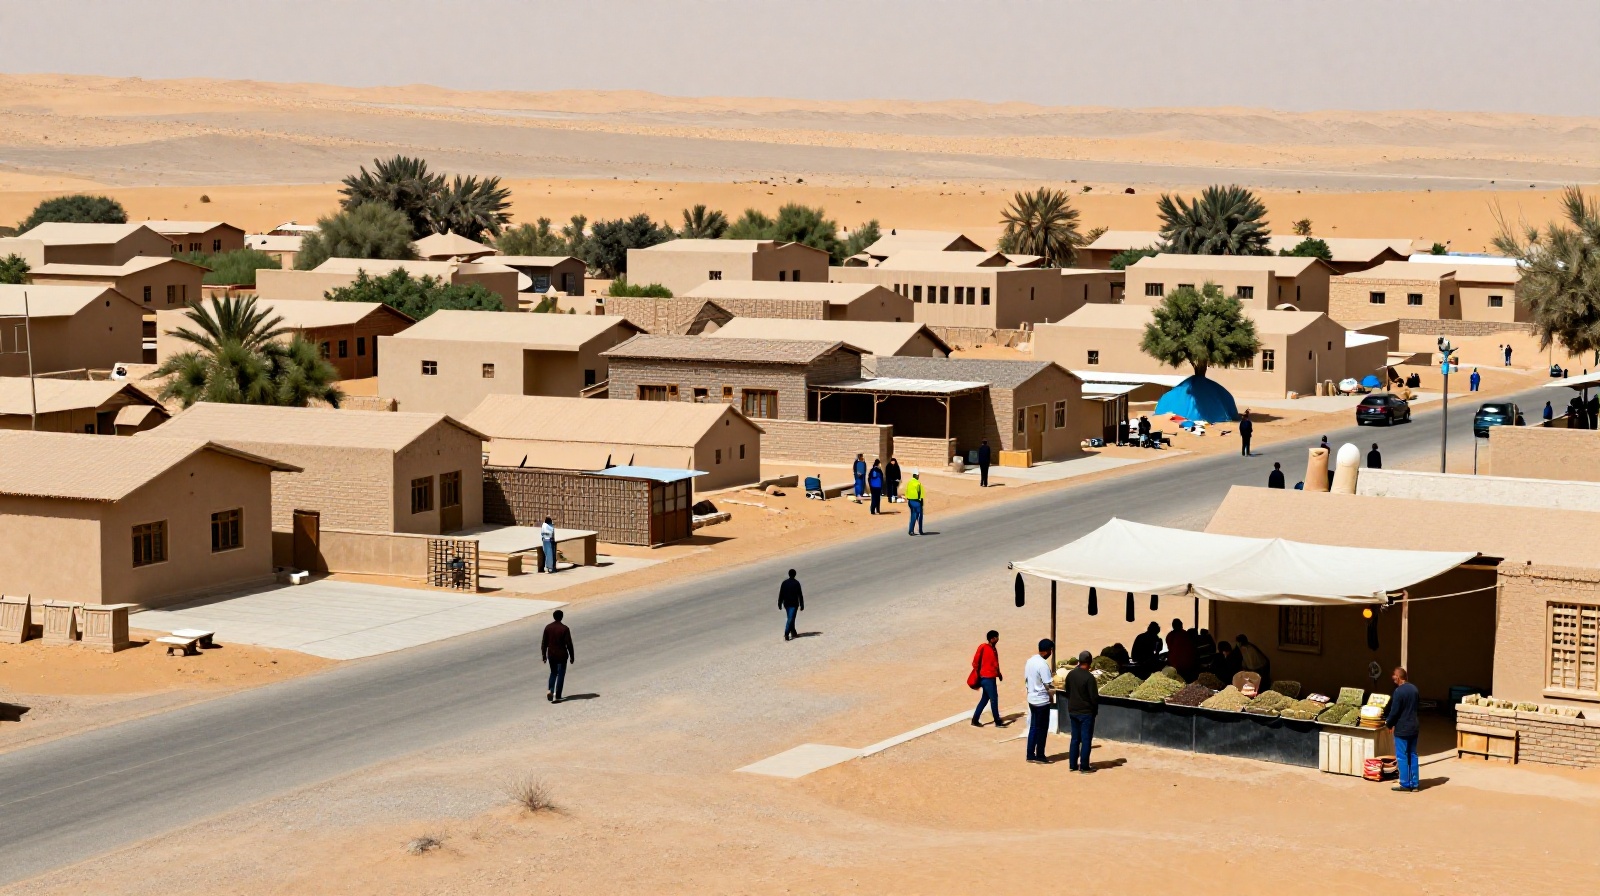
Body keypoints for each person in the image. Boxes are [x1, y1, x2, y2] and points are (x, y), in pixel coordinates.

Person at [1384, 666, 1421, 792]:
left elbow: (1394, 711)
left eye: (1394, 676)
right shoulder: (1414, 689)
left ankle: (1405, 783)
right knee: (1413, 754)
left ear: (1399, 677)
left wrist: (1389, 723)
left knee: (1402, 756)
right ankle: (1414, 784)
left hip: (1402, 728)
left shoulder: (1399, 691)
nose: (1392, 678)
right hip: (1414, 727)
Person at [1064, 650, 1099, 773]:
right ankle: (1084, 766)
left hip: (1073, 710)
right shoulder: (1089, 678)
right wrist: (1094, 710)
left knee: (1075, 738)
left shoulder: (1071, 674)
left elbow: (1067, 691)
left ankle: (1072, 764)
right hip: (1086, 713)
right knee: (1085, 740)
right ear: (1089, 663)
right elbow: (1094, 698)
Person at [1024, 638, 1056, 764]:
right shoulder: (1043, 665)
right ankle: (1040, 755)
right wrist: (1053, 694)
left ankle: (1030, 754)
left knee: (1033, 727)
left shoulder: (1030, 661)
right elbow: (1048, 685)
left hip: (1032, 698)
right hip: (1041, 700)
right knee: (1042, 728)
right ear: (1048, 650)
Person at [970, 630, 1005, 728]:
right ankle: (997, 721)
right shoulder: (983, 647)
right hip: (986, 678)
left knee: (985, 699)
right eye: (997, 637)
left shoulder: (993, 649)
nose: (998, 639)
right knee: (994, 699)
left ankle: (975, 720)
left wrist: (999, 674)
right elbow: (975, 662)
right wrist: (979, 673)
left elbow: (995, 664)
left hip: (991, 678)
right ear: (992, 638)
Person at [540, 609, 575, 703]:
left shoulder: (548, 627)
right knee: (561, 674)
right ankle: (558, 695)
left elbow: (544, 643)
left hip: (551, 654)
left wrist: (544, 655)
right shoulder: (564, 629)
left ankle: (550, 690)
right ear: (562, 617)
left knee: (553, 672)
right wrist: (572, 656)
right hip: (562, 655)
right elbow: (569, 644)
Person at [779, 569, 804, 641]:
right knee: (790, 618)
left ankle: (793, 632)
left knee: (791, 617)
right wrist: (802, 604)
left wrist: (780, 603)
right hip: (793, 604)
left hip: (786, 604)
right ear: (795, 574)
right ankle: (786, 633)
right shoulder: (796, 583)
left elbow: (781, 594)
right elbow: (800, 595)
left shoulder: (784, 583)